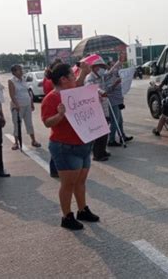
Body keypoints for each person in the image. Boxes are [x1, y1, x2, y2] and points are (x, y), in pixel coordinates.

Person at [41, 62, 99, 230]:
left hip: (83, 145)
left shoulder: (74, 93)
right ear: (64, 79)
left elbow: (81, 85)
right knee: (68, 184)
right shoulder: (51, 98)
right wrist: (60, 115)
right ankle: (67, 216)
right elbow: (47, 122)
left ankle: (82, 210)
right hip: (65, 147)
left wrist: (83, 73)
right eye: (72, 76)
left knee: (80, 181)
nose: (76, 79)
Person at [84, 54, 111, 161]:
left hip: (104, 107)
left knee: (105, 131)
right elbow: (90, 88)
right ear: (94, 67)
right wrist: (101, 92)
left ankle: (103, 150)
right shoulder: (89, 77)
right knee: (99, 132)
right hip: (96, 109)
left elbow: (111, 72)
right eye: (100, 66)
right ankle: (97, 154)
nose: (102, 69)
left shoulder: (101, 77)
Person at [8, 64, 41, 150]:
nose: (21, 71)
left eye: (21, 69)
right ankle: (16, 143)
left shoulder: (23, 79)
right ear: (14, 72)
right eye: (19, 70)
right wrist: (17, 105)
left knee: (29, 123)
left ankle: (33, 140)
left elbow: (28, 92)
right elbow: (12, 95)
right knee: (17, 125)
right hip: (17, 106)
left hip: (27, 105)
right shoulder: (11, 81)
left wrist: (31, 103)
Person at [105, 57, 133, 147]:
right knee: (115, 121)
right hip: (112, 101)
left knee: (120, 120)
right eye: (113, 65)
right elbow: (107, 89)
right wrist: (115, 84)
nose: (115, 67)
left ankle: (122, 136)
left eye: (115, 65)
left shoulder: (115, 75)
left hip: (118, 101)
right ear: (109, 67)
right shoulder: (107, 76)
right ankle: (111, 140)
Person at [43, 59, 63, 177]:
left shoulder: (49, 80)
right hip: (55, 109)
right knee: (58, 144)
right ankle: (55, 170)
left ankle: (55, 170)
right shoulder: (52, 83)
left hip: (58, 108)